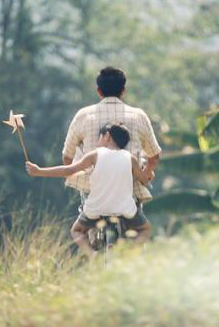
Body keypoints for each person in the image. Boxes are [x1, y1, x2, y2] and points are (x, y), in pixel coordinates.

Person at [26, 123, 151, 258]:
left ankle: (92, 255)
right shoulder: (130, 158)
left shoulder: (95, 155)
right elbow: (144, 180)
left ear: (107, 136)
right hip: (124, 209)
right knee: (145, 229)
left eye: (99, 137)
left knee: (76, 231)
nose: (97, 142)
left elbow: (69, 170)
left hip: (96, 209)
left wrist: (39, 171)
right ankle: (126, 251)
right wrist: (147, 171)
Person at [62, 66, 162, 207]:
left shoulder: (83, 115)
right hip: (129, 189)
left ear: (99, 91)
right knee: (137, 220)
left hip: (93, 190)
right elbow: (154, 156)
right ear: (123, 91)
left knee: (85, 220)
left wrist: (74, 175)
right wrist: (146, 172)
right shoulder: (138, 116)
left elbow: (67, 156)